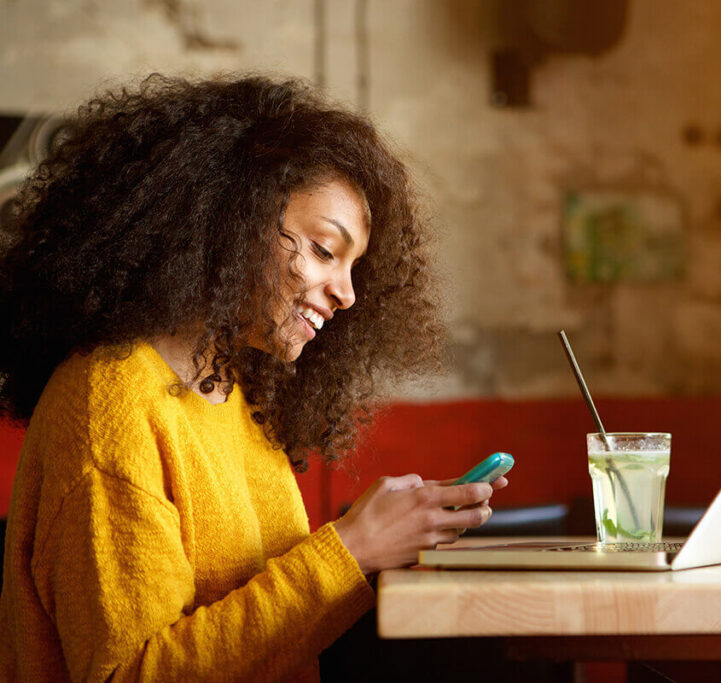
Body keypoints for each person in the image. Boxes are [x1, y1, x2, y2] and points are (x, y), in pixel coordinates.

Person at [0, 74, 507, 682]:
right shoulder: (108, 406)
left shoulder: (230, 390)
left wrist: (380, 543)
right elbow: (129, 674)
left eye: (353, 267)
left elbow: (264, 622)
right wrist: (351, 549)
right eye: (324, 250)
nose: (346, 294)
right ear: (228, 220)